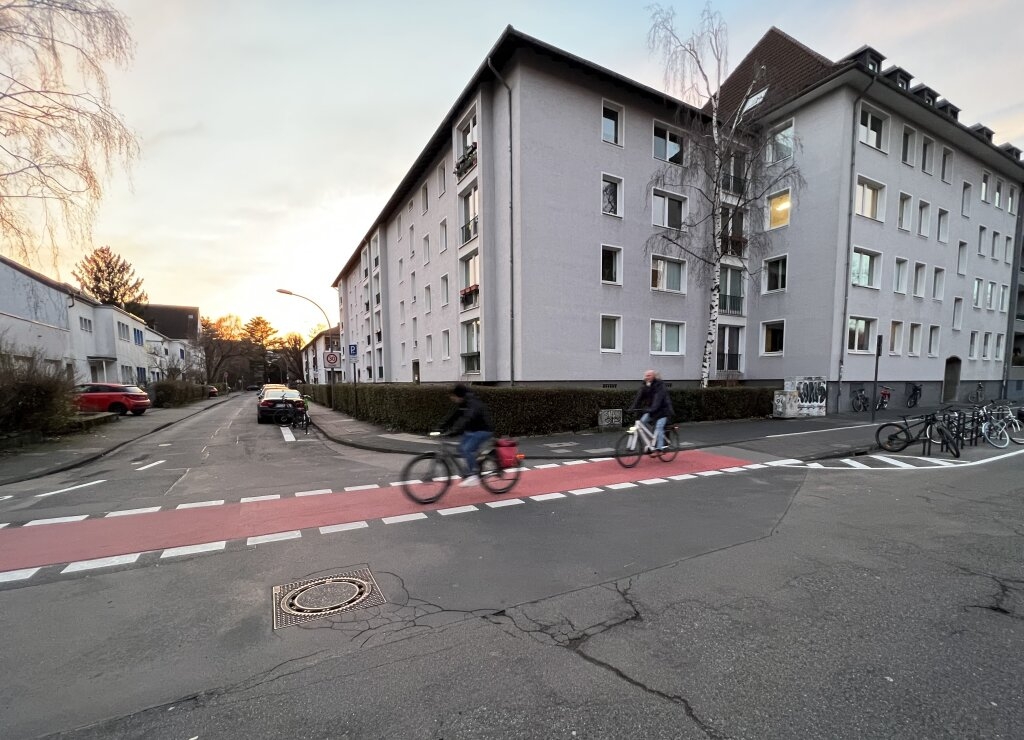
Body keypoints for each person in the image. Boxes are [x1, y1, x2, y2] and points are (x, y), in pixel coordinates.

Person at [439, 383, 494, 487]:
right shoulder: (463, 403)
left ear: (458, 395)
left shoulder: (473, 403)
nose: (452, 399)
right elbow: (453, 416)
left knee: (467, 449)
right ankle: (475, 464)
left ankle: (474, 476)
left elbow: (467, 419)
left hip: (483, 430)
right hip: (473, 431)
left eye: (453, 396)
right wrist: (440, 427)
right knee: (461, 448)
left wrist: (454, 431)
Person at [629, 369, 673, 451]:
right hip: (652, 410)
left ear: (653, 376)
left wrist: (651, 409)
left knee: (659, 427)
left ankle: (659, 449)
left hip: (663, 411)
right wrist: (632, 408)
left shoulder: (659, 385)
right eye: (646, 375)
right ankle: (651, 441)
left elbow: (658, 399)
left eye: (649, 375)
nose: (646, 377)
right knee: (642, 422)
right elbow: (639, 398)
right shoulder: (646, 385)